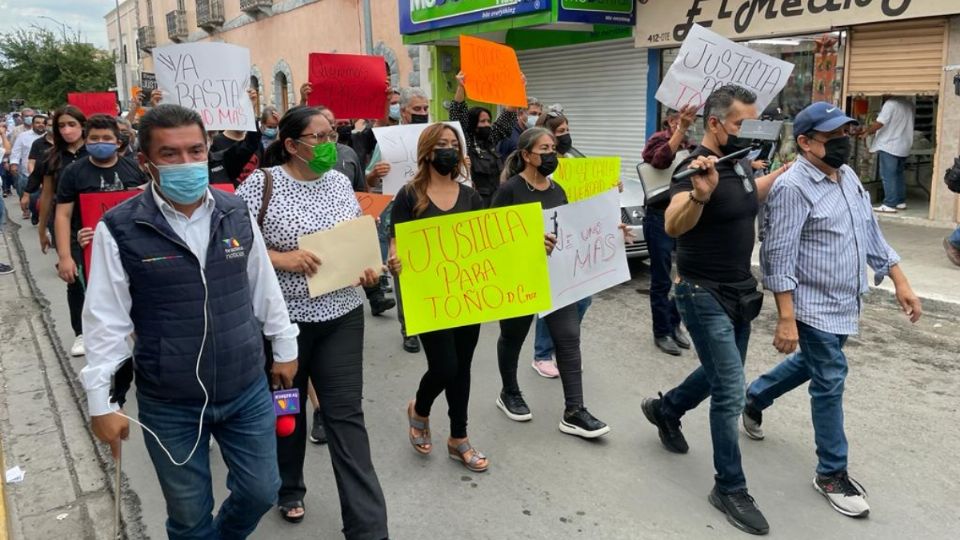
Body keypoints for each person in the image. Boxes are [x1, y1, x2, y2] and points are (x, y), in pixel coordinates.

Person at [81, 103, 300, 539]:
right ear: (146, 163)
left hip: (245, 388)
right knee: (187, 514)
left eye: (196, 151)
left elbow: (263, 285)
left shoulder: (234, 210)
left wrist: (285, 346)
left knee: (262, 490)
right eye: (171, 154)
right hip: (171, 402)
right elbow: (106, 321)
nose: (187, 163)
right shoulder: (120, 228)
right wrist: (101, 402)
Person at [742, 102, 921, 519]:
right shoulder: (792, 189)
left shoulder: (849, 176)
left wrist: (900, 280)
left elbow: (870, 233)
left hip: (846, 301)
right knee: (830, 377)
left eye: (845, 133)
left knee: (813, 365)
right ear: (805, 143)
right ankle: (831, 472)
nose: (842, 142)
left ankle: (755, 396)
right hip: (811, 304)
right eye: (832, 136)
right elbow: (778, 257)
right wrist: (786, 318)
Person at [639, 84, 789, 536]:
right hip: (701, 291)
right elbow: (672, 221)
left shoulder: (740, 162)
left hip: (739, 289)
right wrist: (701, 194)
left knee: (718, 371)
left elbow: (748, 197)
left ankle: (667, 409)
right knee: (729, 389)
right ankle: (729, 487)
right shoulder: (695, 167)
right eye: (742, 123)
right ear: (715, 124)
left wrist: (789, 170)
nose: (750, 130)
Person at [236, 106, 389, 536]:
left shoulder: (341, 183)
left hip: (341, 317)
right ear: (290, 145)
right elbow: (234, 248)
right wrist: (281, 258)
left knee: (346, 418)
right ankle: (289, 487)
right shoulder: (260, 186)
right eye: (318, 138)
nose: (330, 145)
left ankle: (367, 527)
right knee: (288, 411)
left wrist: (368, 268)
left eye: (333, 135)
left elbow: (355, 241)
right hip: (283, 328)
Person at [491, 127, 610, 439]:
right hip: (520, 278)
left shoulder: (558, 190)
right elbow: (492, 238)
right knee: (513, 337)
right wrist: (529, 243)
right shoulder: (510, 190)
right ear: (527, 154)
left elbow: (571, 230)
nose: (551, 155)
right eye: (544, 149)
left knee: (568, 339)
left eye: (554, 148)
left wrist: (609, 230)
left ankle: (575, 410)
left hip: (557, 279)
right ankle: (509, 392)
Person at [391, 122, 489, 472]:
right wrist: (396, 259)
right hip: (430, 298)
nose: (449, 149)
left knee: (462, 368)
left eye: (454, 143)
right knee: (445, 366)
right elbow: (397, 240)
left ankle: (458, 438)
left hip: (467, 296)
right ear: (428, 152)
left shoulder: (471, 196)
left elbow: (487, 244)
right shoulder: (409, 195)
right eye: (442, 144)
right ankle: (420, 409)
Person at [54, 114, 149, 358]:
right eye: (94, 138)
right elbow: (63, 215)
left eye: (106, 138)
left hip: (129, 243)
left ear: (118, 142)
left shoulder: (133, 169)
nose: (100, 142)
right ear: (86, 141)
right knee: (88, 293)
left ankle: (140, 343)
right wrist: (65, 256)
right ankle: (87, 337)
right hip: (87, 243)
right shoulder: (73, 173)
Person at [528, 106, 592, 378]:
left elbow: (591, 197)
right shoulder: (543, 169)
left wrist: (611, 189)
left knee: (583, 298)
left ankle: (561, 345)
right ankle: (542, 353)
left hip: (575, 237)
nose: (566, 137)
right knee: (553, 300)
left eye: (567, 130)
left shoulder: (578, 164)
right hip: (550, 240)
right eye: (560, 132)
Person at [370, 86, 433, 354]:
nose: (422, 114)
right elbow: (369, 178)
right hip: (402, 213)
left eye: (425, 109)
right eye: (416, 109)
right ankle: (410, 329)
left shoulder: (435, 137)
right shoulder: (388, 140)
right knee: (404, 272)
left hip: (432, 211)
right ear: (403, 112)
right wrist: (376, 173)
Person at [641, 106, 697, 356]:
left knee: (687, 275)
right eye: (680, 120)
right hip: (659, 215)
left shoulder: (691, 144)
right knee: (662, 278)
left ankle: (674, 322)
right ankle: (661, 331)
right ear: (670, 120)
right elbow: (660, 161)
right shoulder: (658, 139)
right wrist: (679, 132)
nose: (685, 124)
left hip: (683, 214)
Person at [449, 70, 517, 207]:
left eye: (488, 121)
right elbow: (457, 111)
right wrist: (461, 86)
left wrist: (517, 88)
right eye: (482, 122)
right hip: (474, 201)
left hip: (497, 199)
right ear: (473, 124)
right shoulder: (466, 140)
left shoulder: (490, 139)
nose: (487, 125)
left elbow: (507, 117)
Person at [38, 106, 87, 250]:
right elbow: (47, 194)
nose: (67, 130)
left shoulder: (94, 152)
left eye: (71, 124)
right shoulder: (52, 156)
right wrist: (42, 230)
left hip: (91, 216)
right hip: (63, 220)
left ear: (82, 125)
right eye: (61, 126)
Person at [859, 96, 914, 213]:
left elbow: (880, 122)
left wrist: (867, 132)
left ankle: (889, 203)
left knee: (888, 175)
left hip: (889, 145)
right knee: (898, 174)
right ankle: (900, 201)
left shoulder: (890, 104)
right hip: (903, 145)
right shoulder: (908, 104)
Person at [22, 116, 55, 224]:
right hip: (42, 179)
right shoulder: (38, 143)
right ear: (46, 127)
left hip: (58, 183)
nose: (52, 128)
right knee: (34, 198)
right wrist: (37, 180)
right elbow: (32, 163)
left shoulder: (66, 142)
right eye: (50, 125)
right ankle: (36, 214)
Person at [9, 114, 45, 205]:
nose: (41, 124)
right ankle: (27, 209)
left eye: (43, 123)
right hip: (27, 174)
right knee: (29, 197)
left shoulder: (50, 137)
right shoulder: (23, 136)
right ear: (32, 124)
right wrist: (13, 164)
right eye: (37, 122)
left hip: (46, 174)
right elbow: (16, 151)